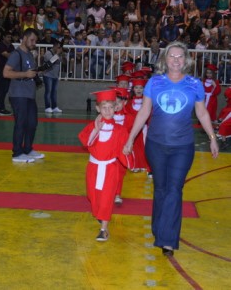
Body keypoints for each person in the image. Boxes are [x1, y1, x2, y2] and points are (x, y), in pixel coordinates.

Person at [123, 41, 219, 256]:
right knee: (160, 188)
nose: (176, 60)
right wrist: (130, 139)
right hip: (156, 146)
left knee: (174, 190)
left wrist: (212, 138)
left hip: (182, 147)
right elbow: (143, 112)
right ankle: (159, 229)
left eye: (180, 56)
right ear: (164, 60)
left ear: (186, 60)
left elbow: (202, 113)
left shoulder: (194, 84)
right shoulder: (154, 83)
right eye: (172, 56)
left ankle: (167, 240)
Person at [78, 89, 134, 241]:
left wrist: (129, 159)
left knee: (106, 199)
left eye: (111, 107)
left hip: (110, 169)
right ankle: (101, 215)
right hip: (93, 168)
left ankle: (104, 229)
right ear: (98, 109)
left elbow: (125, 150)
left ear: (116, 107)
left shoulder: (120, 130)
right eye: (104, 108)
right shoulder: (92, 126)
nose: (108, 111)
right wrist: (96, 129)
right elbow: (86, 142)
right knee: (93, 197)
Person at [3, 28, 45, 163]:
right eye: (32, 40)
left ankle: (27, 149)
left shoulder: (30, 55)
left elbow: (30, 73)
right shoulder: (16, 54)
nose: (34, 43)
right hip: (18, 94)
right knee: (20, 123)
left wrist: (36, 74)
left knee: (32, 123)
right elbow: (6, 73)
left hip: (29, 95)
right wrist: (25, 74)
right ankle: (17, 153)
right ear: (25, 38)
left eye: (35, 41)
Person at [113, 87, 135, 205]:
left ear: (125, 102)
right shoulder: (107, 116)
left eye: (119, 102)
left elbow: (132, 136)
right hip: (109, 150)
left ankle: (117, 194)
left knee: (120, 173)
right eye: (114, 102)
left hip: (122, 151)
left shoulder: (130, 118)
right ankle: (108, 193)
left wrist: (129, 147)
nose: (116, 105)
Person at [0, 30, 15, 116]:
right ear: (3, 37)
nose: (9, 38)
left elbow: (13, 55)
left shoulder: (11, 46)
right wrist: (10, 54)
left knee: (6, 89)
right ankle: (0, 108)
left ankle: (0, 107)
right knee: (3, 89)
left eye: (10, 37)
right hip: (1, 70)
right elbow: (7, 55)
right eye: (8, 37)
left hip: (9, 71)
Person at [43, 40, 63, 113]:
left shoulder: (58, 54)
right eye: (58, 47)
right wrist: (57, 54)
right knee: (48, 91)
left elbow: (60, 61)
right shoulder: (48, 53)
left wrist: (60, 54)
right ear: (54, 46)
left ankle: (54, 107)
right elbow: (51, 61)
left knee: (54, 92)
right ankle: (47, 107)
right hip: (48, 75)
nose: (59, 48)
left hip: (55, 76)